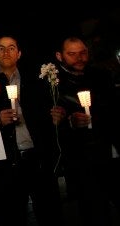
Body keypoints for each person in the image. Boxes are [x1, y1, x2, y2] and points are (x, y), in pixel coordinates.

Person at [0, 36, 63, 226]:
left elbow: (46, 113)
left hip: (37, 159)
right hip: (7, 162)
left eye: (11, 48)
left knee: (49, 213)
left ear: (19, 53)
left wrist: (57, 115)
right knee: (12, 215)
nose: (6, 52)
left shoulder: (36, 81)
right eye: (1, 48)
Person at [53, 36, 116, 225]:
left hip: (108, 151)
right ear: (60, 55)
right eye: (72, 54)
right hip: (80, 159)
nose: (79, 58)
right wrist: (69, 121)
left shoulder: (101, 76)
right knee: (92, 209)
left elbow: (114, 109)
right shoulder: (54, 83)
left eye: (83, 53)